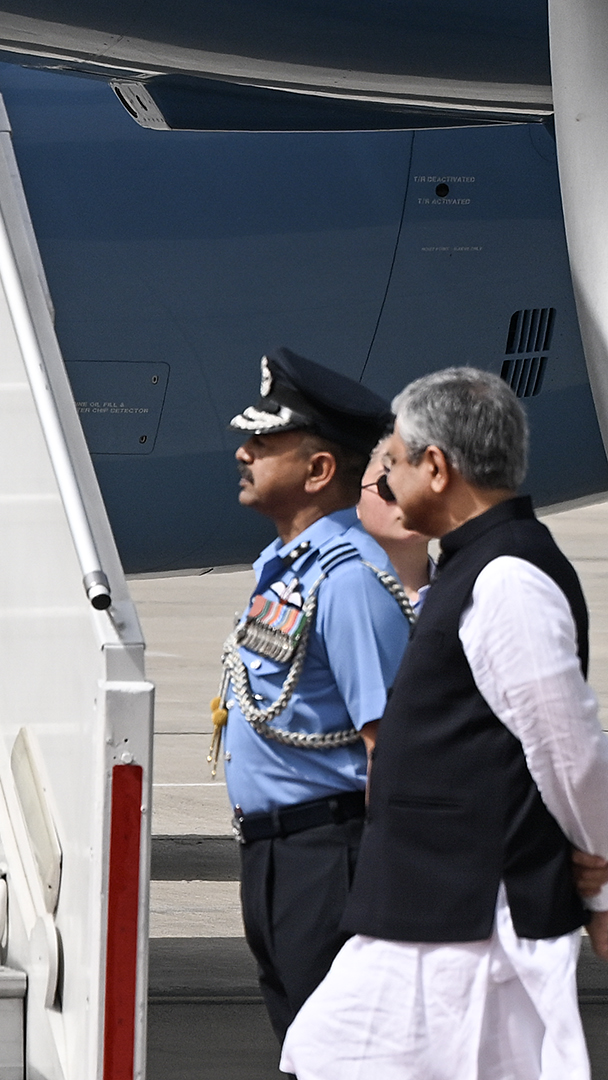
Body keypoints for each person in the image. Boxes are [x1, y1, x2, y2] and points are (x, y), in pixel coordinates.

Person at [285, 367, 608, 1080]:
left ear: (437, 467)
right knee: (322, 1053)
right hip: (428, 909)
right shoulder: (471, 568)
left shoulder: (508, 579)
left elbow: (566, 745)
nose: (386, 484)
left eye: (393, 464)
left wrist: (600, 879)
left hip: (470, 922)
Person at [215, 349, 413, 1044]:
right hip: (277, 858)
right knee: (305, 1049)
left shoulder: (351, 580)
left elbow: (392, 747)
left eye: (264, 442)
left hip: (331, 860)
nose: (244, 451)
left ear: (320, 470)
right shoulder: (286, 570)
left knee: (344, 1056)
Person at [356, 439, 431, 605]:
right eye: (388, 483)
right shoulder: (336, 594)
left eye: (421, 480)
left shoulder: (472, 590)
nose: (409, 496)